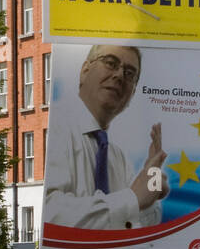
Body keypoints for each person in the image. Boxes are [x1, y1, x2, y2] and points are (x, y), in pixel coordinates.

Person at [42, 44, 168, 231]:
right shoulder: (56, 132)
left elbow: (143, 221)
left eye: (130, 74)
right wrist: (132, 199)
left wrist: (154, 177)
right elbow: (51, 217)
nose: (119, 76)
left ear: (132, 93)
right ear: (85, 70)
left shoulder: (117, 157)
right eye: (110, 63)